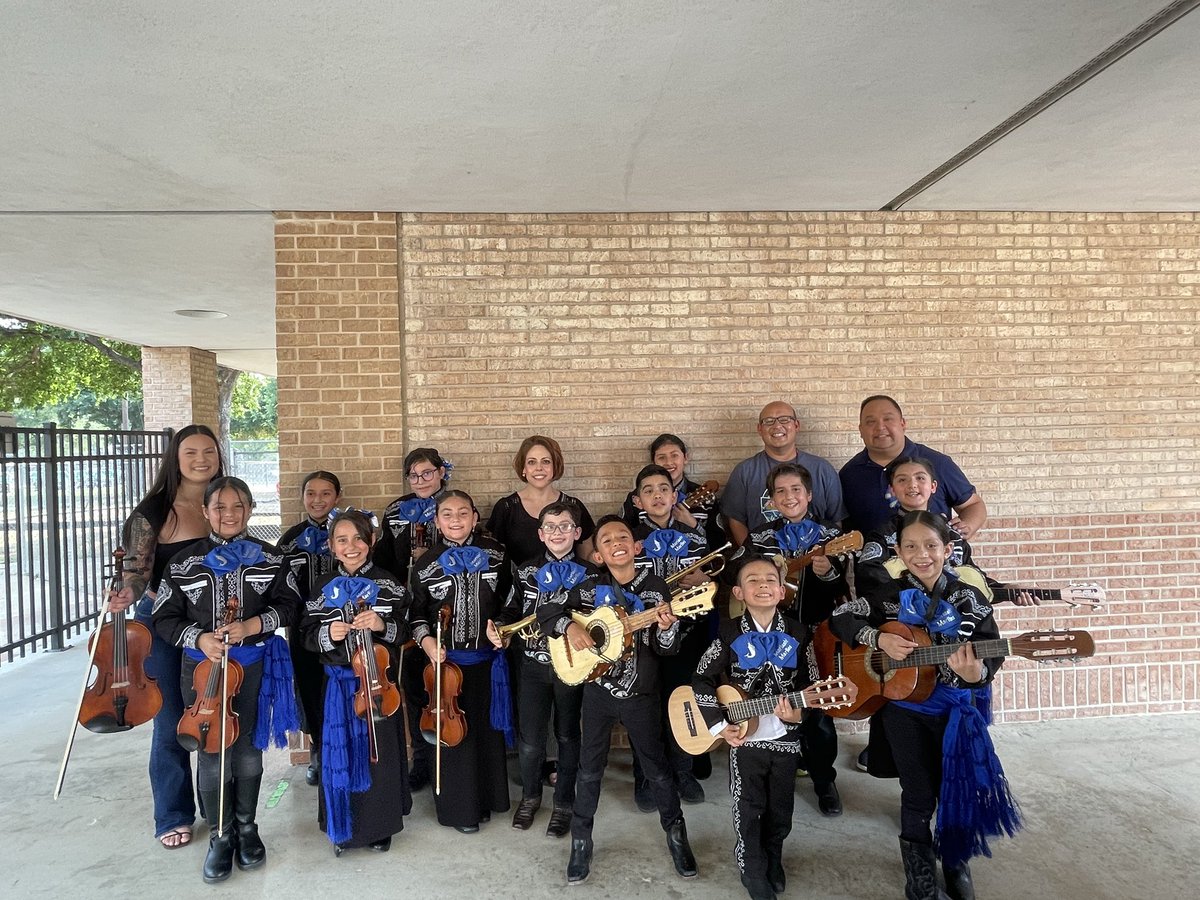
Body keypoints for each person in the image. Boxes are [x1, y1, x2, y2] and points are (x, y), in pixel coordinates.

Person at [829, 511, 1021, 900]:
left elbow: (991, 654)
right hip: (905, 712)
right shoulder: (888, 595)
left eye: (931, 545)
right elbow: (840, 619)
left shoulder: (970, 599)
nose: (922, 555)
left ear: (948, 549)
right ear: (898, 551)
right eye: (911, 546)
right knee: (917, 792)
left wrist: (974, 676)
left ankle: (955, 860)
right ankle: (917, 871)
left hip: (954, 712)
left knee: (954, 788)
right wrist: (877, 639)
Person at [153, 476, 301, 884]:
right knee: (213, 750)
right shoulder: (183, 563)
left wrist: (252, 623)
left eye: (238, 506)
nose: (229, 514)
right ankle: (220, 835)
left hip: (252, 667)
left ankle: (248, 828)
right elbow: (165, 618)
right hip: (200, 672)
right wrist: (198, 637)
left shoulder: (271, 558)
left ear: (251, 509)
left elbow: (290, 606)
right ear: (205, 512)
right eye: (219, 507)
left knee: (249, 748)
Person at [538, 515, 698, 885]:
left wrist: (668, 627)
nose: (616, 543)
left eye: (622, 536)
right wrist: (572, 626)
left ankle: (676, 835)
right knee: (589, 769)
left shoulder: (657, 589)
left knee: (657, 769)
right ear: (598, 554)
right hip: (598, 694)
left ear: (636, 546)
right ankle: (581, 841)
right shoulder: (589, 585)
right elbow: (547, 611)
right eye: (606, 540)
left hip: (642, 695)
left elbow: (665, 649)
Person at [694, 557, 841, 900]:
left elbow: (813, 685)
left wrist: (800, 716)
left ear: (781, 591)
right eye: (753, 580)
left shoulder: (799, 633)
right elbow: (700, 678)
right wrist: (718, 726)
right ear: (738, 592)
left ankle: (773, 857)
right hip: (744, 740)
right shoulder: (728, 632)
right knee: (748, 807)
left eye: (770, 580)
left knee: (781, 811)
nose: (762, 585)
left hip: (784, 739)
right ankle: (752, 869)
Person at [110, 424, 223, 850]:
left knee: (211, 715)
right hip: (162, 625)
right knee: (170, 718)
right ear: (175, 457)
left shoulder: (223, 501)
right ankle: (173, 814)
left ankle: (218, 809)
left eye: (208, 451)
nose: (200, 459)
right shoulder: (154, 511)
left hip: (213, 629)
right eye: (190, 451)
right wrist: (126, 593)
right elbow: (136, 573)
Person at [725, 464, 846, 817]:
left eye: (796, 489)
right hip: (768, 634)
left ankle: (825, 780)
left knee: (818, 708)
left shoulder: (830, 536)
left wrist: (828, 573)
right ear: (772, 500)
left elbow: (841, 588)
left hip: (816, 633)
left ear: (809, 494)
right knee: (770, 703)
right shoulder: (761, 536)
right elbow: (738, 574)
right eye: (780, 492)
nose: (789, 496)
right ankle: (780, 770)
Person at [302, 509, 409, 856]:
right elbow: (303, 636)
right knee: (340, 754)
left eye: (359, 539)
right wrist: (326, 633)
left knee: (380, 757)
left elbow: (405, 632)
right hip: (338, 686)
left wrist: (380, 626)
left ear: (372, 542)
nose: (352, 547)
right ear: (331, 546)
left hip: (379, 686)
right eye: (342, 540)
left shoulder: (389, 584)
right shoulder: (320, 588)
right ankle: (341, 827)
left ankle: (379, 826)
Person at [410, 490, 515, 833]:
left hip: (487, 662)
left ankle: (490, 799)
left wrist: (504, 627)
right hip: (446, 665)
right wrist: (427, 642)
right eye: (447, 514)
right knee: (455, 740)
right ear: (437, 521)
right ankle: (461, 810)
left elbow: (512, 599)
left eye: (463, 513)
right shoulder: (425, 564)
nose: (456, 520)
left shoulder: (497, 554)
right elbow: (416, 613)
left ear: (474, 516)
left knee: (485, 733)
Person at [499, 501, 591, 837]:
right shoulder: (524, 571)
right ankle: (530, 797)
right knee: (531, 740)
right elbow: (511, 610)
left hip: (573, 669)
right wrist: (499, 626)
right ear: (540, 534)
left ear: (577, 532)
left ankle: (564, 803)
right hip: (532, 666)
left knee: (568, 736)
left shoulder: (593, 573)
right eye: (550, 527)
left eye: (564, 526)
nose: (557, 532)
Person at [628, 463, 711, 806]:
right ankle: (646, 777)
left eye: (663, 489)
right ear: (637, 501)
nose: (657, 495)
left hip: (688, 635)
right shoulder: (630, 538)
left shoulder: (695, 536)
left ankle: (683, 771)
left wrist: (704, 581)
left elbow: (715, 583)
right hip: (643, 638)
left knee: (683, 703)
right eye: (648, 490)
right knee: (643, 706)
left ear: (674, 495)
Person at [374, 446, 450, 792]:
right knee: (416, 690)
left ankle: (451, 762)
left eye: (427, 473)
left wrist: (429, 557)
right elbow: (385, 560)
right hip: (409, 612)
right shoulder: (395, 511)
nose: (420, 480)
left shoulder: (454, 505)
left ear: (441, 473)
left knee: (449, 689)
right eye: (414, 475)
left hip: (446, 609)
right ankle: (421, 761)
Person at [839, 395, 986, 536]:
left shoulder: (938, 463)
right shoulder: (848, 474)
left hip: (932, 559)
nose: (880, 427)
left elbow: (973, 505)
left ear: (903, 424)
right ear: (860, 430)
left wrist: (967, 526)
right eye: (871, 422)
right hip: (873, 560)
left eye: (888, 419)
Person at [277, 470, 342, 786]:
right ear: (302, 498)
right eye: (311, 494)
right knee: (308, 686)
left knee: (339, 685)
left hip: (343, 628)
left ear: (337, 498)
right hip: (304, 630)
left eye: (325, 493)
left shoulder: (347, 531)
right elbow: (281, 586)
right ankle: (317, 751)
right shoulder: (290, 540)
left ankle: (340, 749)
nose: (318, 500)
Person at [722, 401, 846, 547]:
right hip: (764, 563)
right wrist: (753, 555)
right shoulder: (744, 471)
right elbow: (735, 520)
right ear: (759, 429)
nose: (777, 426)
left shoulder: (823, 469)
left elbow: (836, 520)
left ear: (797, 425)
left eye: (784, 419)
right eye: (769, 421)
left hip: (816, 560)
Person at [486, 434, 596, 590]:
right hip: (520, 593)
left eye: (546, 461)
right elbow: (496, 561)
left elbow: (587, 560)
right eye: (532, 462)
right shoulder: (506, 508)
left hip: (569, 592)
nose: (539, 468)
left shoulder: (574, 506)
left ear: (555, 466)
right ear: (523, 468)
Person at [621, 433, 725, 548]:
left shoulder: (707, 498)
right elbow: (621, 536)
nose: (669, 462)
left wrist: (694, 526)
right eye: (661, 457)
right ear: (653, 461)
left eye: (674, 455)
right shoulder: (636, 498)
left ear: (685, 458)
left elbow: (720, 545)